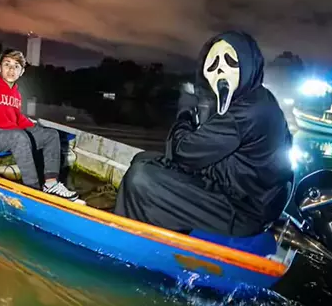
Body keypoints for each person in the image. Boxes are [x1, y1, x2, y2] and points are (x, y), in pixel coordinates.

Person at [113, 30, 294, 237]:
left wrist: (185, 112)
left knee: (140, 177)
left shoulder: (246, 112)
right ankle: (150, 225)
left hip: (245, 211)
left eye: (230, 61)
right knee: (142, 158)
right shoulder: (257, 98)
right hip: (245, 191)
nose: (221, 70)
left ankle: (130, 238)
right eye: (213, 64)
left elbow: (182, 153)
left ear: (248, 64)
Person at [0, 49, 79, 201]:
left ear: (21, 72)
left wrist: (35, 127)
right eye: (7, 64)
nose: (11, 69)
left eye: (16, 66)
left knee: (51, 135)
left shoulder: (16, 94)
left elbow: (17, 118)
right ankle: (32, 189)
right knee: (19, 137)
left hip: (11, 134)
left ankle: (51, 184)